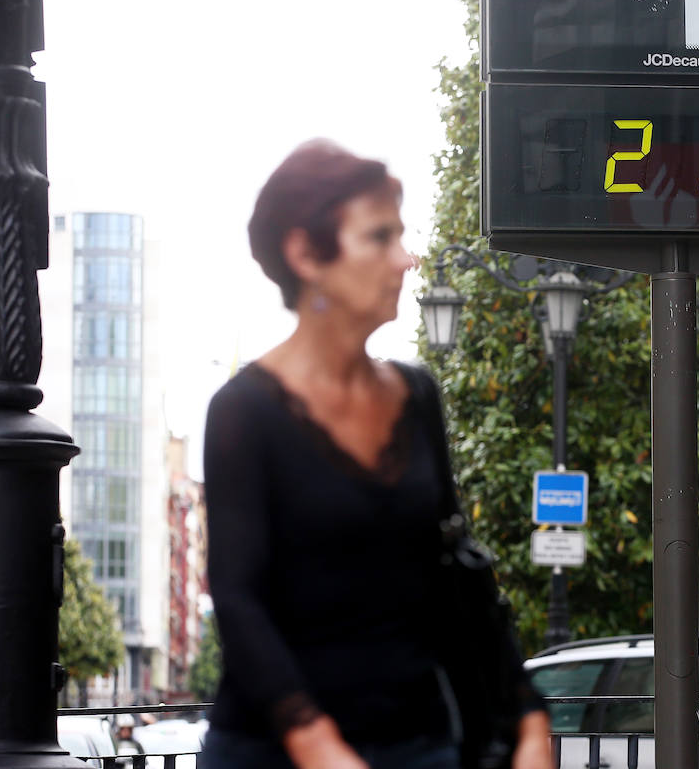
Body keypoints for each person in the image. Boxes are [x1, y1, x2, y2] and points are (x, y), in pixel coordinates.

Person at [199, 140, 553, 769]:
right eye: (380, 238)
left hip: (419, 744)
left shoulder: (417, 395)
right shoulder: (243, 411)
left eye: (403, 237)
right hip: (275, 751)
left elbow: (456, 569)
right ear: (305, 254)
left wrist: (527, 714)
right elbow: (237, 596)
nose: (407, 260)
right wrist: (317, 744)